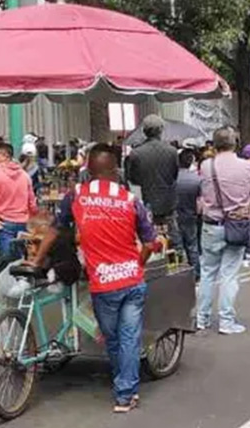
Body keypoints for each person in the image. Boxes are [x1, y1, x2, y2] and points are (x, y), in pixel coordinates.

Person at [33, 146, 163, 413]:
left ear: (88, 171)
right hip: (131, 281)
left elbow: (56, 229)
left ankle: (123, 384)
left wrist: (36, 261)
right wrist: (138, 264)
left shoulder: (76, 196)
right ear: (116, 171)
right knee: (129, 338)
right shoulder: (129, 199)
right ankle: (125, 394)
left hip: (103, 285)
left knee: (113, 338)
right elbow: (151, 242)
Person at [196, 127, 250, 334]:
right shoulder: (247, 167)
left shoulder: (205, 165)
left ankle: (201, 318)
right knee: (229, 275)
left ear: (214, 144)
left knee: (207, 273)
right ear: (235, 143)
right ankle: (226, 321)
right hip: (236, 225)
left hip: (210, 225)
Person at [0, 142, 38, 261]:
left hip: (4, 224)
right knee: (21, 260)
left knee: (8, 263)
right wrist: (32, 219)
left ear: (5, 156)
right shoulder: (25, 176)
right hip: (23, 223)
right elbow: (32, 203)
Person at [126, 115, 181, 236]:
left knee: (148, 238)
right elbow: (175, 175)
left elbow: (131, 178)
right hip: (168, 203)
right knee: (173, 240)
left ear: (144, 131)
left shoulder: (136, 153)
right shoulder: (172, 151)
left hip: (146, 202)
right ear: (161, 130)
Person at [174, 144, 203, 278]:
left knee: (178, 247)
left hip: (175, 216)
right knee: (193, 246)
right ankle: (196, 273)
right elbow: (201, 202)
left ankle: (180, 275)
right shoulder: (197, 179)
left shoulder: (172, 179)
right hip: (191, 216)